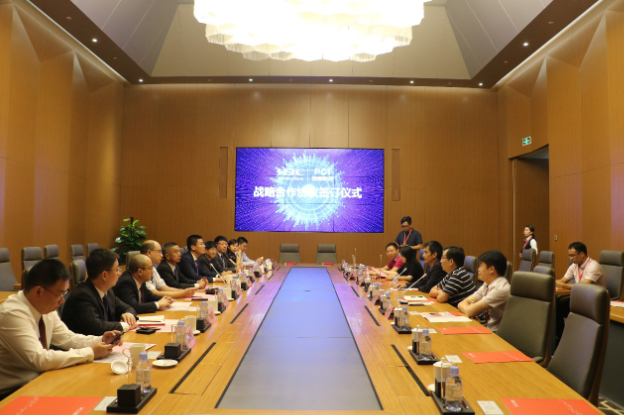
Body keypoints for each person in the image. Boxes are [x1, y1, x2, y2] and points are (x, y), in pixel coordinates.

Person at [0, 260, 120, 398]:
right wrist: (90, 352)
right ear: (38, 291)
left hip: (39, 382)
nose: (62, 300)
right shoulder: (12, 313)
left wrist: (101, 340)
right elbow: (39, 359)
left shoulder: (45, 307)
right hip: (11, 393)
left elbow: (68, 338)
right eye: (59, 294)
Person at [62, 249, 138, 335]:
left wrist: (129, 315)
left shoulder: (107, 291)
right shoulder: (82, 296)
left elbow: (127, 307)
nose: (119, 274)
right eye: (117, 270)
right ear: (104, 275)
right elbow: (97, 327)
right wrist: (125, 325)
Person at [555, 242, 606, 342]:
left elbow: (583, 286)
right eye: (569, 256)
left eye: (572, 255)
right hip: (581, 298)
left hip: (593, 300)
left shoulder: (593, 266)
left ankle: (572, 338)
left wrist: (561, 285)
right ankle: (559, 338)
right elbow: (562, 281)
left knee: (562, 305)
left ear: (582, 254)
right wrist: (555, 282)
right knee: (558, 304)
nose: (571, 258)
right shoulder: (574, 265)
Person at [458, 250, 510, 332]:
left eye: (481, 266)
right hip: (488, 328)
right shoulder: (487, 284)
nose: (478, 269)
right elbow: (462, 303)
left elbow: (470, 310)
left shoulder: (500, 289)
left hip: (498, 334)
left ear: (491, 269)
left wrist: (470, 311)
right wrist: (469, 311)